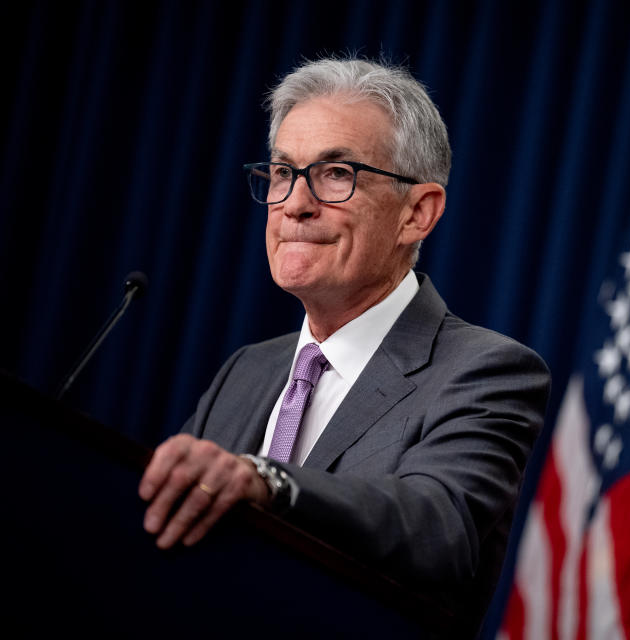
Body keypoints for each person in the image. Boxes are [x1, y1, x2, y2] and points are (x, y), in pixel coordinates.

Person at [138, 57, 550, 626]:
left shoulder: (486, 370)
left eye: (336, 174)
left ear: (417, 213)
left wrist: (268, 483)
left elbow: (438, 528)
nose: (295, 203)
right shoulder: (249, 369)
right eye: (283, 172)